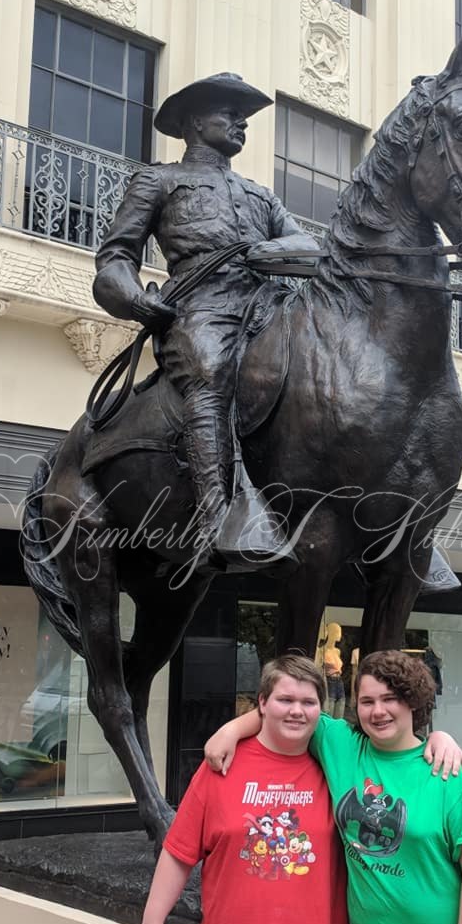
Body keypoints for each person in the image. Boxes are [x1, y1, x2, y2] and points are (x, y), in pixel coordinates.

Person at [93, 73, 319, 568]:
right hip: (200, 306)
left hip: (268, 301)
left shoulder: (260, 195)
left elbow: (309, 247)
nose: (241, 123)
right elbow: (113, 260)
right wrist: (135, 300)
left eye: (244, 117)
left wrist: (267, 249)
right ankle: (218, 516)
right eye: (228, 113)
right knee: (210, 370)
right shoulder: (159, 181)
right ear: (195, 122)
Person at [141, 654, 462, 924]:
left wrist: (438, 738)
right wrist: (152, 923)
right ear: (263, 703)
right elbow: (180, 851)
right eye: (285, 700)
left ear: (319, 711)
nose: (297, 711)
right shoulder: (222, 764)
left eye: (308, 702)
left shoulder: (334, 767)